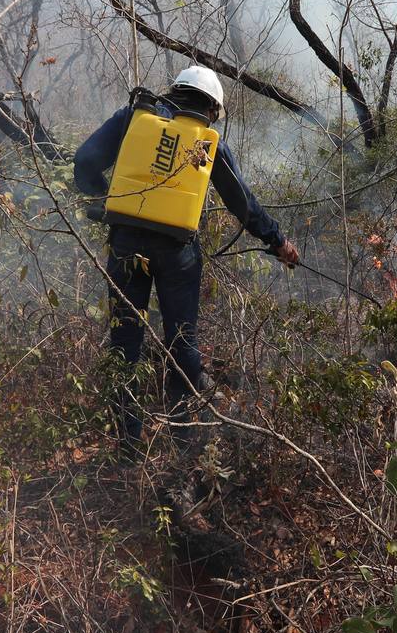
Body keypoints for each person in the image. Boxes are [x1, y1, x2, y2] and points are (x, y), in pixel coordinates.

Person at [74, 65, 300, 448]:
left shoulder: (133, 117)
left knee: (125, 342)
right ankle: (183, 440)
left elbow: (84, 161)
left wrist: (100, 201)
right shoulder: (206, 142)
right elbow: (242, 203)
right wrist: (277, 241)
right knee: (182, 341)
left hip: (126, 244)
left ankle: (129, 445)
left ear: (175, 91)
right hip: (177, 252)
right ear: (211, 107)